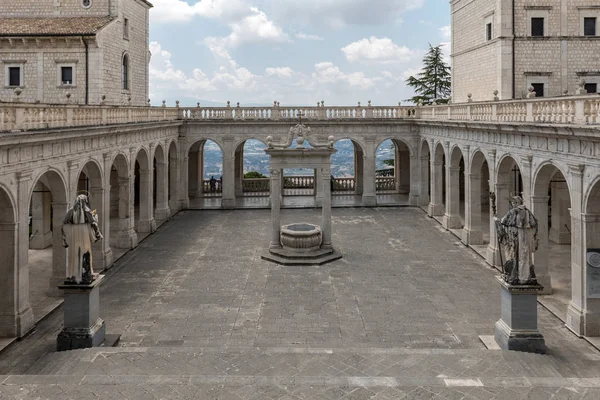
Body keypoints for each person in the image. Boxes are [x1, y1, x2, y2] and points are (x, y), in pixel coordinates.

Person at [494, 196, 539, 285]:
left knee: (514, 256)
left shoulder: (513, 212)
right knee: (525, 257)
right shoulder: (528, 212)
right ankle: (526, 277)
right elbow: (534, 225)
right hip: (525, 240)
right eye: (513, 203)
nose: (513, 204)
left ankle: (515, 276)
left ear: (518, 203)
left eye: (515, 203)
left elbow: (503, 222)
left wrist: (496, 220)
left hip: (515, 240)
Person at [61, 194, 103, 284]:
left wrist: (65, 237)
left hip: (74, 233)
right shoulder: (86, 211)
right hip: (84, 232)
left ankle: (73, 273)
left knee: (74, 252)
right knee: (86, 251)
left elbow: (64, 223)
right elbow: (93, 223)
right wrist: (98, 233)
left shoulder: (71, 211)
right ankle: (87, 272)